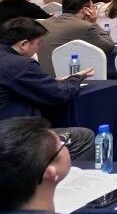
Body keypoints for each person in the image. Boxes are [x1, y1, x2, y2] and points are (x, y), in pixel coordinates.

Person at [0, 19, 95, 158]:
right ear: (24, 44)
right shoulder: (20, 65)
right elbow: (59, 94)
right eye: (38, 44)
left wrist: (48, 81)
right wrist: (76, 78)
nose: (38, 49)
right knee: (84, 137)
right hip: (13, 139)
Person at [36, 0, 115, 75]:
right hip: (67, 76)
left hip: (41, 73)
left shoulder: (43, 23)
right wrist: (93, 22)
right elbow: (109, 46)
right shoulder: (84, 26)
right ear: (86, 10)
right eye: (93, 7)